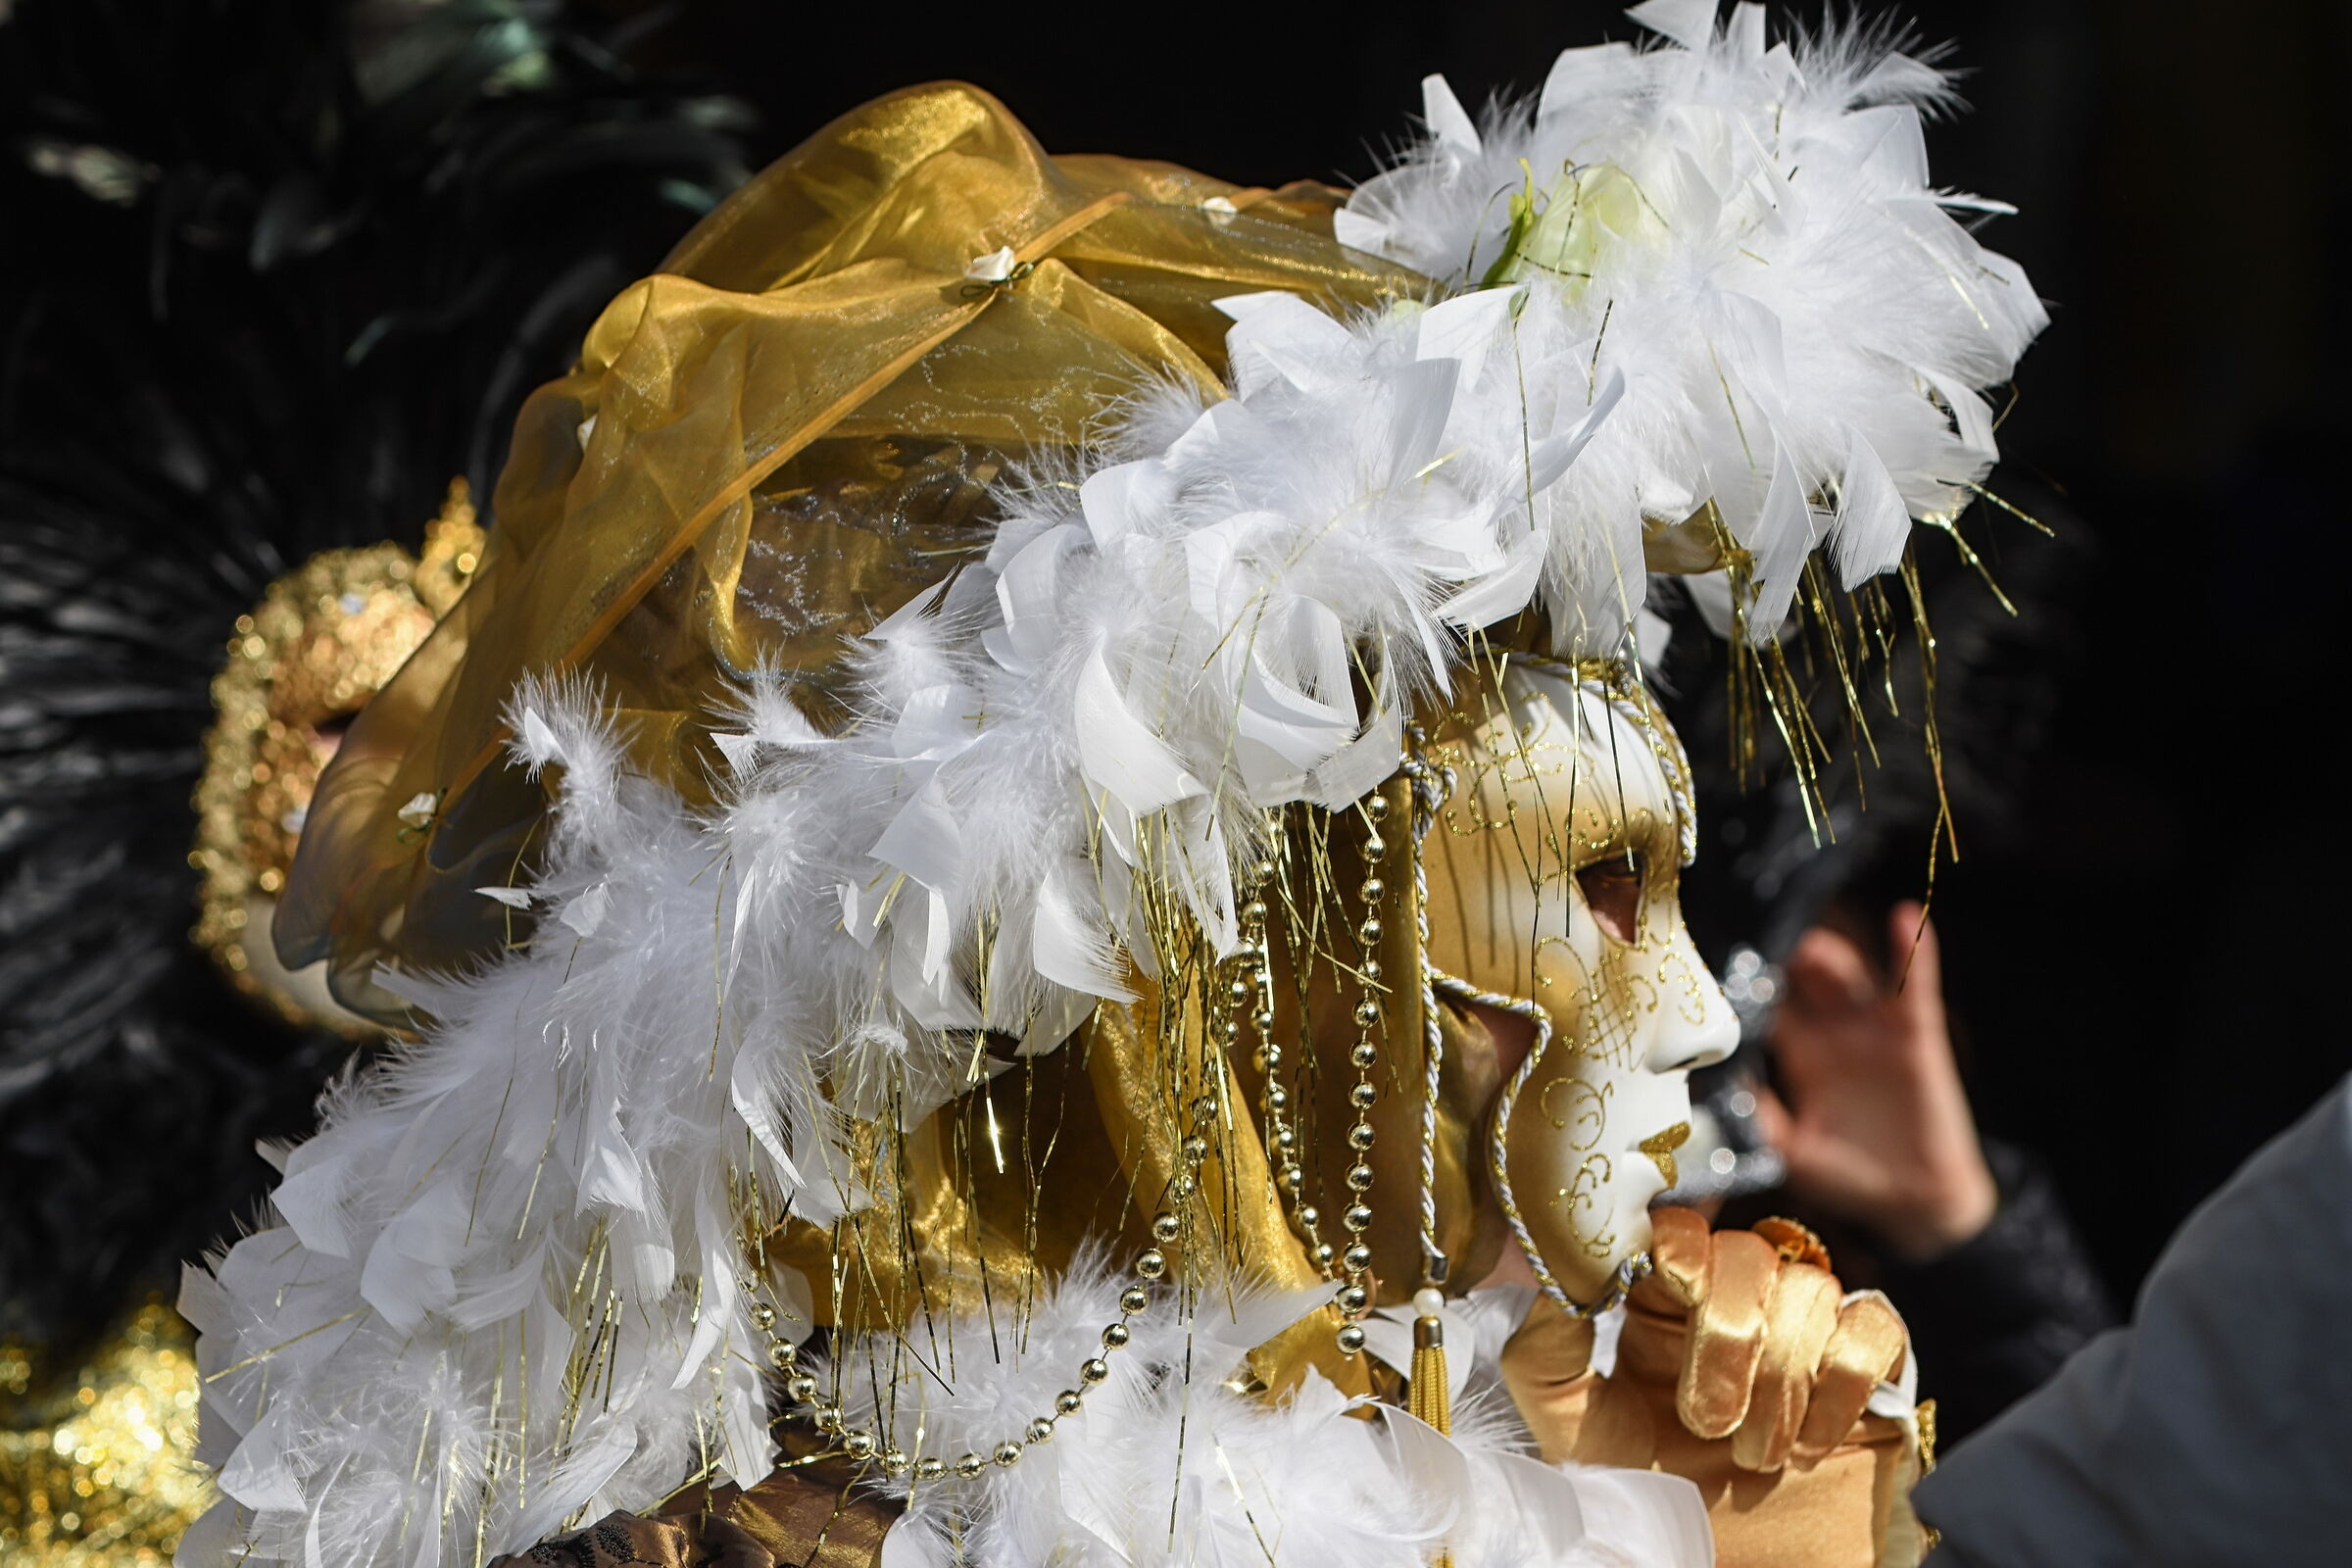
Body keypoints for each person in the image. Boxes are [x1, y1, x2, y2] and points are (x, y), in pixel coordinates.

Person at [173, 7, 2046, 1567]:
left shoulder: (1625, 1464)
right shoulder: (735, 1534)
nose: (1693, 1008)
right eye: (1600, 889)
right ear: (1236, 959)